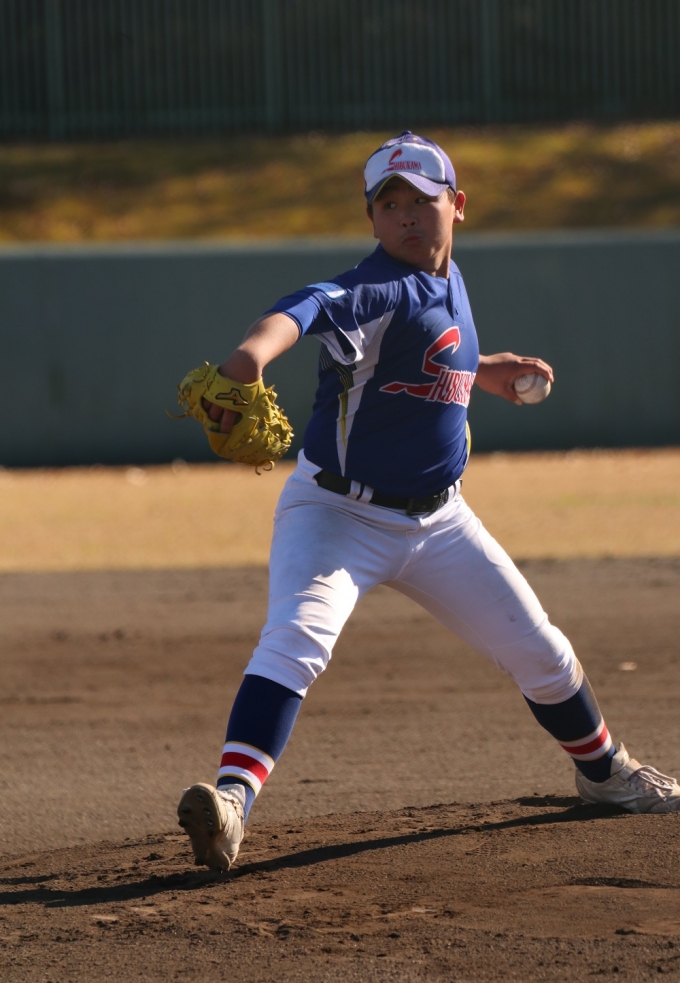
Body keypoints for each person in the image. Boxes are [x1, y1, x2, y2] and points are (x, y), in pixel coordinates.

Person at [177, 131, 680, 871]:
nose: (408, 214)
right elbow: (303, 309)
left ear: (458, 205)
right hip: (338, 515)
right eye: (391, 204)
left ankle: (605, 774)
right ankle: (230, 806)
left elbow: (429, 354)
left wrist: (485, 370)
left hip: (441, 520)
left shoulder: (449, 279)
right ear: (372, 219)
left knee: (542, 651)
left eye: (423, 199)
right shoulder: (375, 286)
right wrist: (251, 356)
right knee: (296, 638)